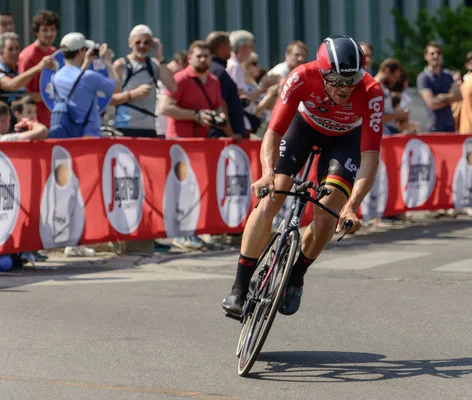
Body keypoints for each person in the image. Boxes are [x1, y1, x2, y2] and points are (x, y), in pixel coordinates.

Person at [222, 35, 384, 317]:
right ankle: (239, 286)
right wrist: (267, 174)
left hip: (344, 140)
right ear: (321, 74)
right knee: (271, 198)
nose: (345, 88)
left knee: (327, 213)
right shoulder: (300, 76)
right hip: (304, 127)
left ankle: (296, 275)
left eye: (352, 80)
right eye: (336, 80)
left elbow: (370, 156)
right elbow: (272, 132)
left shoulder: (371, 91)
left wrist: (352, 205)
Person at [111, 25, 177, 138]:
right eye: (138, 42)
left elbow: (173, 87)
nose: (142, 46)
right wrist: (132, 94)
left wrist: (160, 56)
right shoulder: (121, 65)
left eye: (146, 42)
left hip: (149, 127)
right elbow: (111, 99)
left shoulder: (155, 65)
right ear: (130, 43)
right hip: (125, 126)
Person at [50, 32, 119, 138]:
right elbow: (117, 87)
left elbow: (76, 83)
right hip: (90, 136)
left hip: (68, 134)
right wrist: (106, 60)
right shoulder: (89, 77)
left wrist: (86, 62)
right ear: (80, 51)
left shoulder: (55, 77)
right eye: (85, 49)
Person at [158, 40, 227, 139]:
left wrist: (220, 116)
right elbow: (164, 108)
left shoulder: (214, 81)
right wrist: (196, 115)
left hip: (203, 140)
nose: (203, 59)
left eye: (206, 56)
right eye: (199, 56)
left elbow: (218, 106)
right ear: (189, 58)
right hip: (179, 140)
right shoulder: (180, 79)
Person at [0, 32, 54, 129]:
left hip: (21, 126)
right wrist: (39, 67)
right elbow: (11, 85)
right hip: (0, 127)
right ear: (1, 52)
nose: (15, 52)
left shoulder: (20, 69)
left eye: (17, 48)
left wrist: (52, 95)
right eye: (10, 49)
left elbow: (26, 95)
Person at [18, 10, 60, 127]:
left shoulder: (54, 52)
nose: (49, 34)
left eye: (52, 29)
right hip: (35, 122)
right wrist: (50, 96)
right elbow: (23, 94)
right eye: (45, 30)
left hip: (53, 118)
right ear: (36, 32)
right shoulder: (28, 56)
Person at [205, 30, 245, 141]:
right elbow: (220, 104)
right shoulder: (218, 71)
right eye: (229, 46)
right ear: (221, 47)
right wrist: (230, 134)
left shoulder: (213, 69)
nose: (231, 50)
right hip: (221, 137)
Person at [417, 41, 461, 133]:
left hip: (450, 126)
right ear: (426, 56)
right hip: (435, 127)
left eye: (438, 53)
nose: (436, 56)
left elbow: (459, 96)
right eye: (432, 53)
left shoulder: (447, 75)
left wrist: (440, 97)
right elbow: (432, 104)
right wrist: (450, 98)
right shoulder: (423, 77)